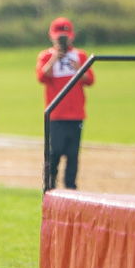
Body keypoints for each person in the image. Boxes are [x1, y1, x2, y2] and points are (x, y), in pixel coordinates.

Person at [36, 17, 94, 190]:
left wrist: (78, 68)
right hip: (56, 114)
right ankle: (49, 186)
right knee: (54, 153)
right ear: (51, 36)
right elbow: (41, 76)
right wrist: (54, 59)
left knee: (73, 154)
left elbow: (90, 80)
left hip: (76, 114)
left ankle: (71, 187)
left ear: (72, 36)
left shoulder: (80, 56)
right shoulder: (46, 56)